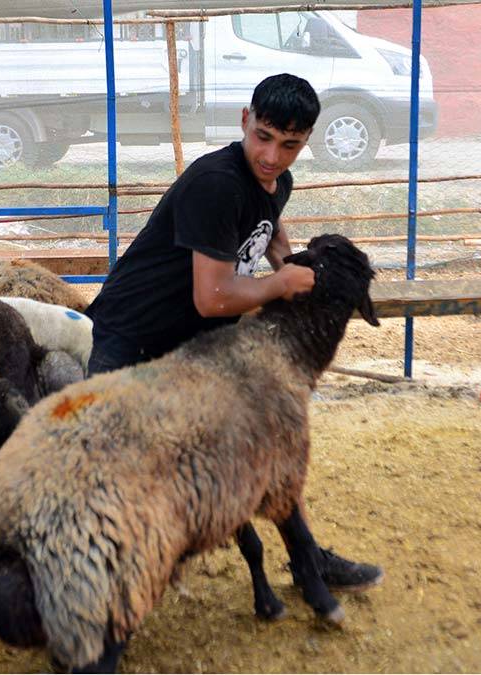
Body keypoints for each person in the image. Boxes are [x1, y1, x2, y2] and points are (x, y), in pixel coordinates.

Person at [85, 73, 384, 591]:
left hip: (193, 346)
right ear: (245, 121)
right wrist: (281, 281)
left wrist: (284, 260)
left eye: (290, 145)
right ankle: (89, 585)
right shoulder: (216, 184)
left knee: (267, 447)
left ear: (305, 141)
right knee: (109, 473)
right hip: (127, 341)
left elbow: (270, 227)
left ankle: (308, 561)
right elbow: (213, 295)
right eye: (264, 137)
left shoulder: (276, 180)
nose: (272, 156)